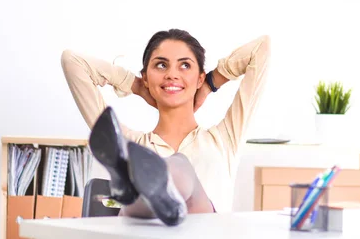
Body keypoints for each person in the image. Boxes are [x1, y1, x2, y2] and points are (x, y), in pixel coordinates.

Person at [60, 29, 270, 226]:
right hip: (145, 235)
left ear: (199, 78)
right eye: (161, 65)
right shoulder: (128, 143)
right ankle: (142, 197)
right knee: (161, 166)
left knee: (180, 165)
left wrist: (211, 83)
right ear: (146, 77)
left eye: (185, 65)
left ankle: (136, 193)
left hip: (207, 233)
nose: (171, 74)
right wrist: (136, 86)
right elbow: (72, 61)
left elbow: (261, 48)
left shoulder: (226, 138)